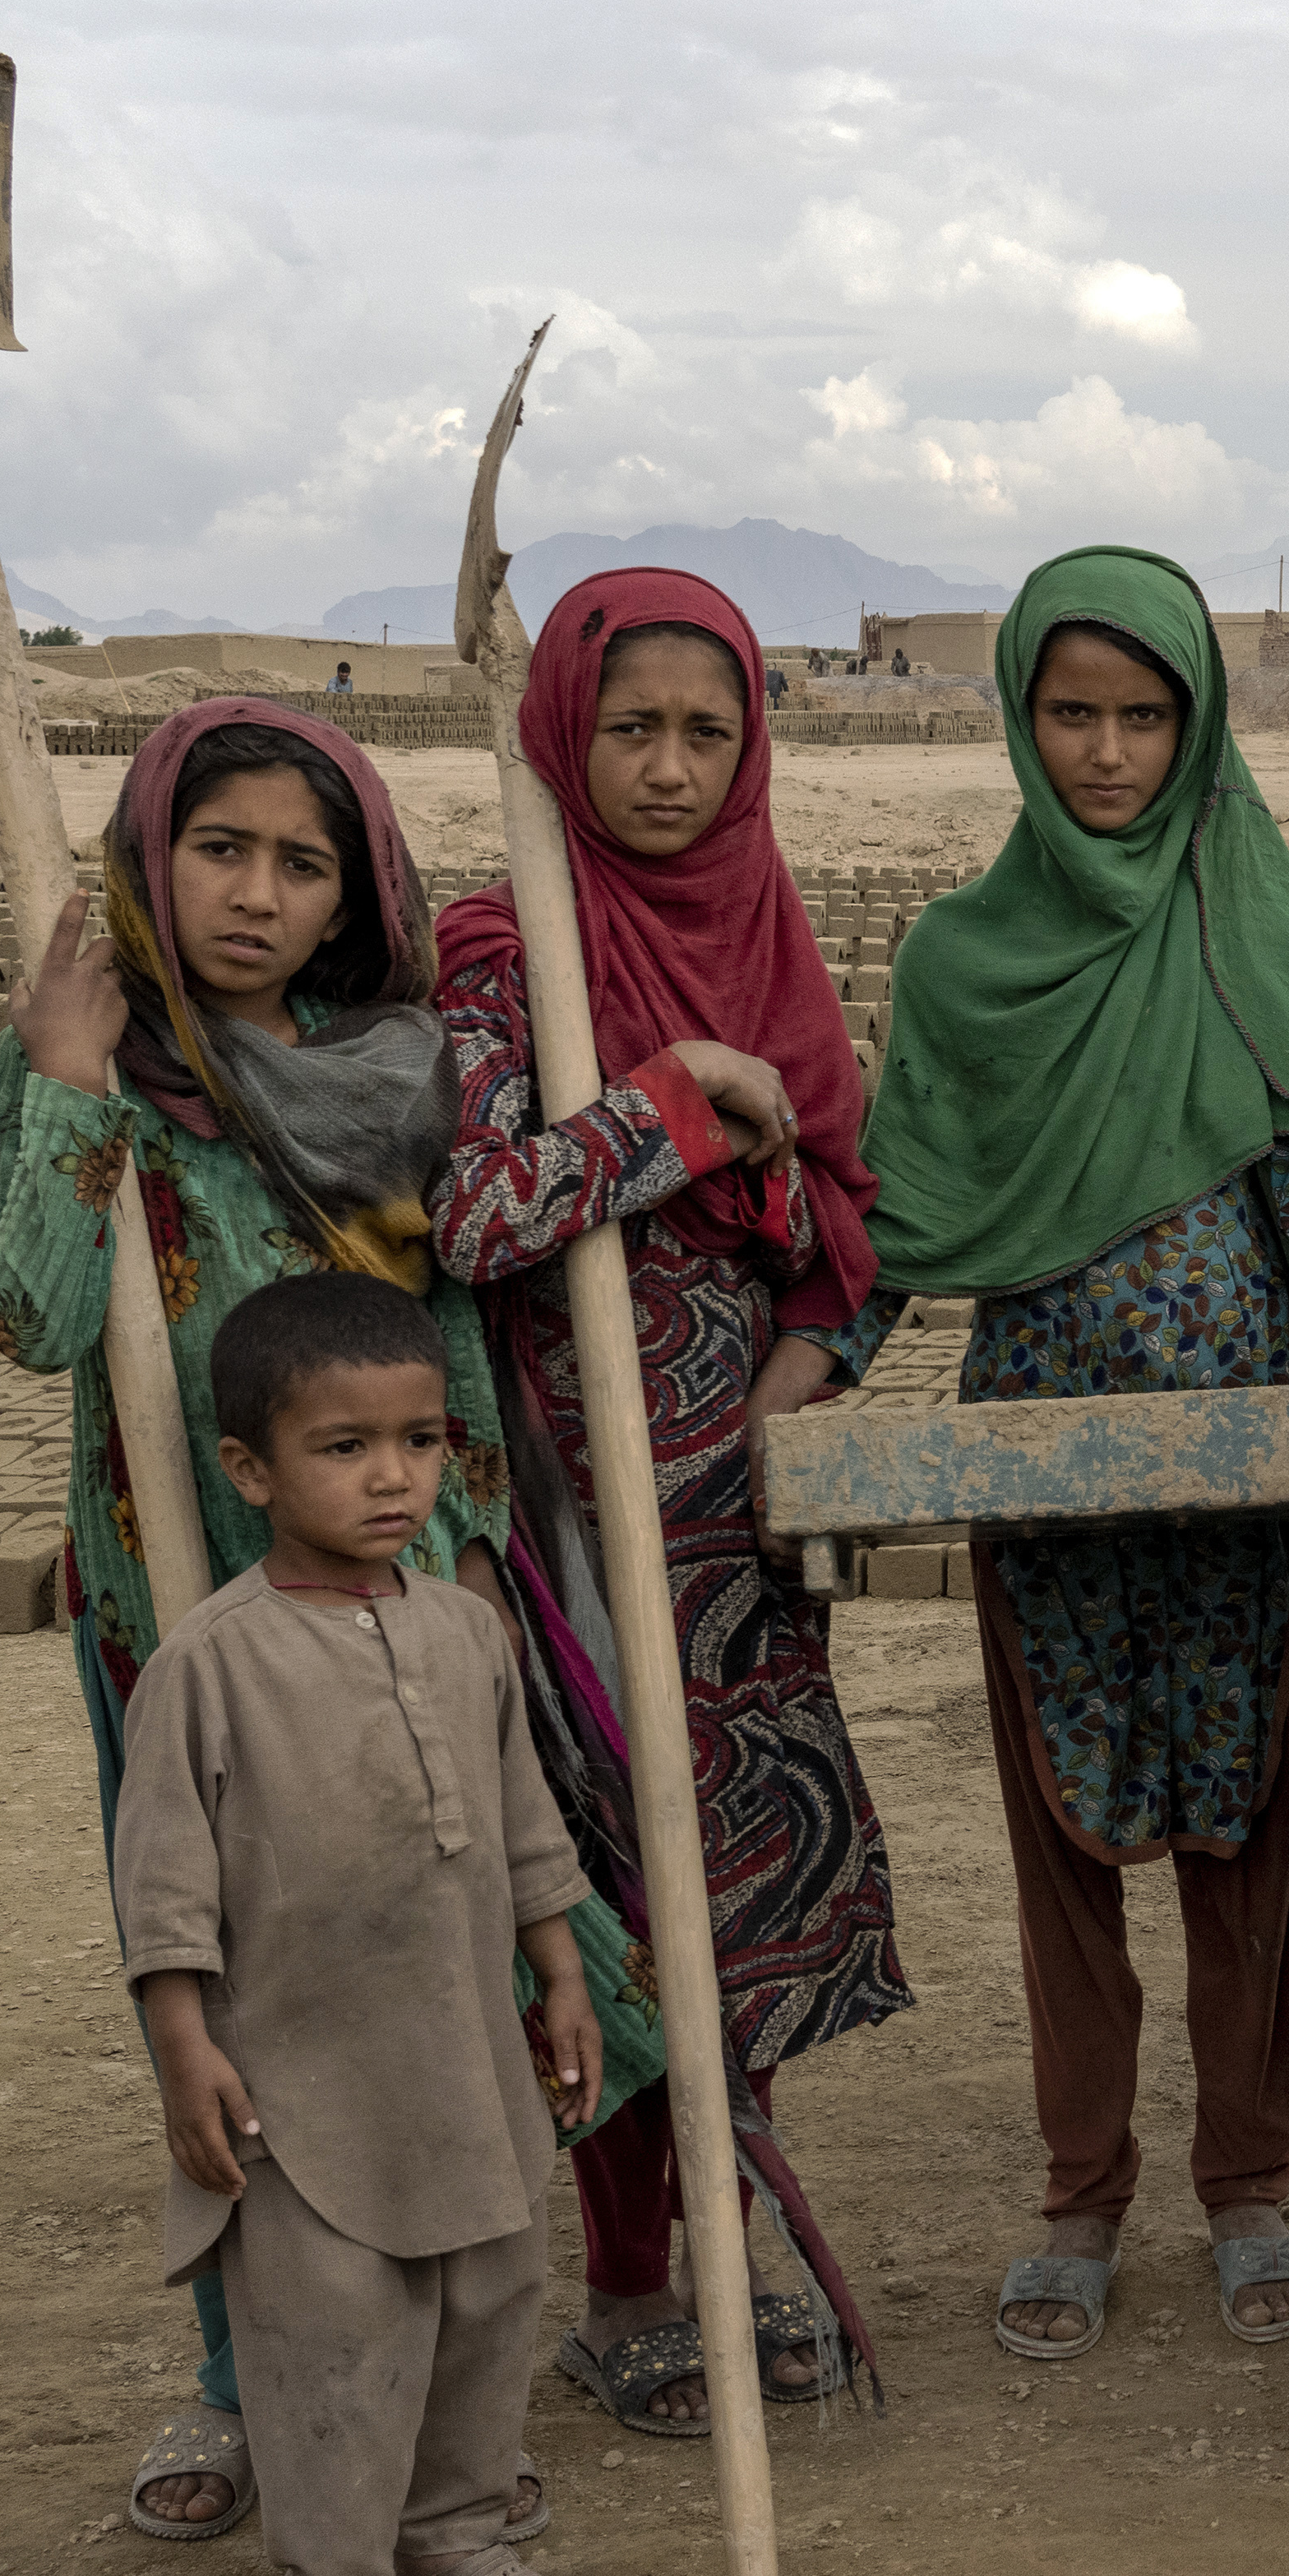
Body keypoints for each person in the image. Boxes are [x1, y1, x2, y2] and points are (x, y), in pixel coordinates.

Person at [848, 545, 1289, 2362]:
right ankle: (1079, 2187)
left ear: (1194, 730)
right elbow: (913, 1205)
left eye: (1143, 716)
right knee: (1062, 1832)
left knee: (1252, 1839)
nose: (1108, 751)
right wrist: (819, 1371)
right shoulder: (964, 957)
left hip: (1249, 1464)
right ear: (1020, 721)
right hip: (1041, 1469)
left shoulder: (1238, 918)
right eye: (1073, 712)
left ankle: (1250, 2179)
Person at [0, 695, 537, 2548]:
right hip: (181, 1604)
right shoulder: (95, 1068)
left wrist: (464, 1549)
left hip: (388, 1607)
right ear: (152, 851)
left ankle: (435, 2373)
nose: (255, 893)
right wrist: (59, 1075)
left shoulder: (391, 1076)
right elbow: (33, 1318)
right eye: (220, 847)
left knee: (410, 1959)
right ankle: (243, 2373)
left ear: (351, 889)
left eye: (300, 861)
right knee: (217, 1979)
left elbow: (445, 1329)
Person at [433, 569, 904, 2437]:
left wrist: (801, 1375)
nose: (667, 767)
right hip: (560, 1500)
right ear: (561, 729)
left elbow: (857, 1234)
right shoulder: (494, 951)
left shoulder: (769, 938)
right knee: (599, 1894)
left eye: (707, 732)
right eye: (629, 726)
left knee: (727, 1893)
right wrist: (668, 1106)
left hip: (729, 1522)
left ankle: (734, 2233)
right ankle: (631, 2284)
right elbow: (471, 1215)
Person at [114, 1273, 603, 2576]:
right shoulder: (211, 1662)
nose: (392, 1475)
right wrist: (183, 2041)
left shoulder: (468, 1629)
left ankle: (454, 2543)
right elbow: (164, 1880)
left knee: (488, 2299)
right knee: (330, 2328)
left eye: (420, 1438)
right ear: (249, 1469)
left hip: (467, 2054)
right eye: (343, 1446)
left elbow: (522, 1814)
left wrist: (565, 1973)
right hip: (302, 2081)